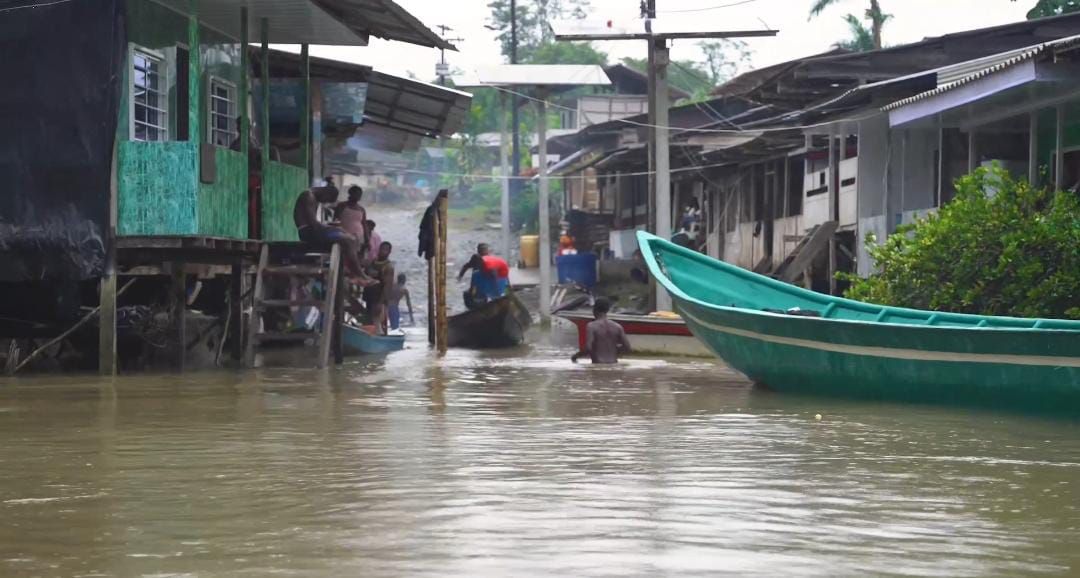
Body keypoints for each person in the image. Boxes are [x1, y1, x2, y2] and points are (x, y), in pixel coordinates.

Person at [293, 185, 367, 278]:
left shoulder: (311, 197)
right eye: (327, 200)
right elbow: (314, 224)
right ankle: (358, 273)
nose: (325, 202)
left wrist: (331, 227)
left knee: (350, 238)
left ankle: (355, 272)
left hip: (310, 231)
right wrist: (332, 228)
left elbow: (314, 224)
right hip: (308, 232)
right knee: (347, 239)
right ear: (326, 193)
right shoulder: (309, 197)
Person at [571, 297, 631, 364]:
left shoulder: (591, 326)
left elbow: (588, 348)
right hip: (613, 364)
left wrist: (575, 356)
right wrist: (614, 351)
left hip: (598, 364)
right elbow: (627, 348)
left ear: (594, 310)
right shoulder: (618, 326)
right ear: (607, 310)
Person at [364, 241, 396, 333]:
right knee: (369, 318)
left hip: (379, 297)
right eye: (382, 249)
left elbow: (387, 286)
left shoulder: (388, 267)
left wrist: (381, 302)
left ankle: (380, 335)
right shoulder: (373, 262)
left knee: (378, 320)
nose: (383, 252)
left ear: (389, 252)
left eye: (386, 250)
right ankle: (370, 333)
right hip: (369, 295)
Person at [335, 185, 369, 256]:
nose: (358, 196)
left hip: (358, 237)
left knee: (356, 255)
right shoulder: (342, 205)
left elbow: (364, 225)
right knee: (343, 254)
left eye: (360, 194)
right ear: (350, 193)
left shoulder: (361, 209)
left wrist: (367, 240)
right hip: (344, 235)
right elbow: (336, 220)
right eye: (356, 194)